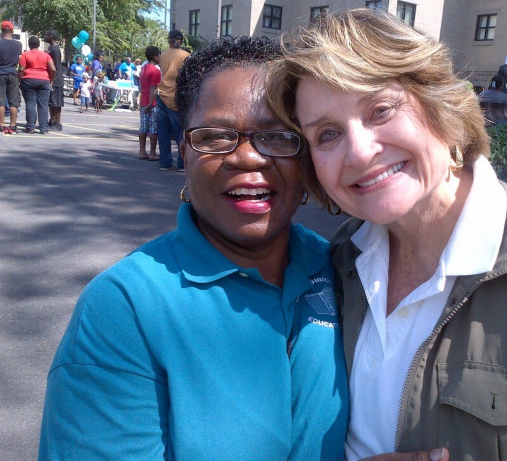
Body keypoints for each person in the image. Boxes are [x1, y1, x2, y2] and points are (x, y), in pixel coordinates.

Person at [267, 8, 507, 461]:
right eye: (327, 134)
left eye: (381, 109)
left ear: (440, 106)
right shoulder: (339, 259)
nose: (359, 151)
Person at [37, 35, 348, 461]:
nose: (248, 158)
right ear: (184, 151)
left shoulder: (342, 267)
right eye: (216, 136)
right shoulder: (125, 307)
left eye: (277, 136)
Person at [157, 28, 190, 171]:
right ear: (180, 40)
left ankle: (165, 162)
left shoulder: (162, 55)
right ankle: (182, 163)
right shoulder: (186, 55)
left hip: (162, 93)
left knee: (163, 131)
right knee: (178, 131)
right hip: (176, 95)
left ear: (170, 41)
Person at [18, 36, 55, 134]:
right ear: (39, 45)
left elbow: (21, 69)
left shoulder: (25, 55)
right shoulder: (46, 55)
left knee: (30, 103)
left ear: (29, 44)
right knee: (43, 105)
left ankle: (30, 127)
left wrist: (19, 80)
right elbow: (53, 69)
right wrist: (51, 80)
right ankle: (43, 128)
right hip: (44, 80)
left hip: (28, 80)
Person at [138, 46, 161, 160]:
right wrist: (151, 102)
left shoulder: (143, 69)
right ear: (155, 57)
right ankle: (152, 153)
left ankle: (142, 151)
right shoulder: (155, 71)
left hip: (143, 99)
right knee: (153, 128)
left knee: (143, 127)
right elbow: (153, 87)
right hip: (152, 103)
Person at [0, 20, 22, 135]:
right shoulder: (18, 44)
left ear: (1, 30)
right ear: (12, 30)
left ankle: (1, 124)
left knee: (1, 100)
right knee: (14, 101)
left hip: (1, 72)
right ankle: (13, 125)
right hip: (13, 72)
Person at [44, 29, 64, 131]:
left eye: (46, 35)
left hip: (56, 79)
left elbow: (55, 66)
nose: (44, 36)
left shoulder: (55, 50)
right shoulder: (51, 48)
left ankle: (57, 123)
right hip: (50, 78)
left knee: (56, 103)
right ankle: (51, 121)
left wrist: (52, 80)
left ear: (51, 36)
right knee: (51, 102)